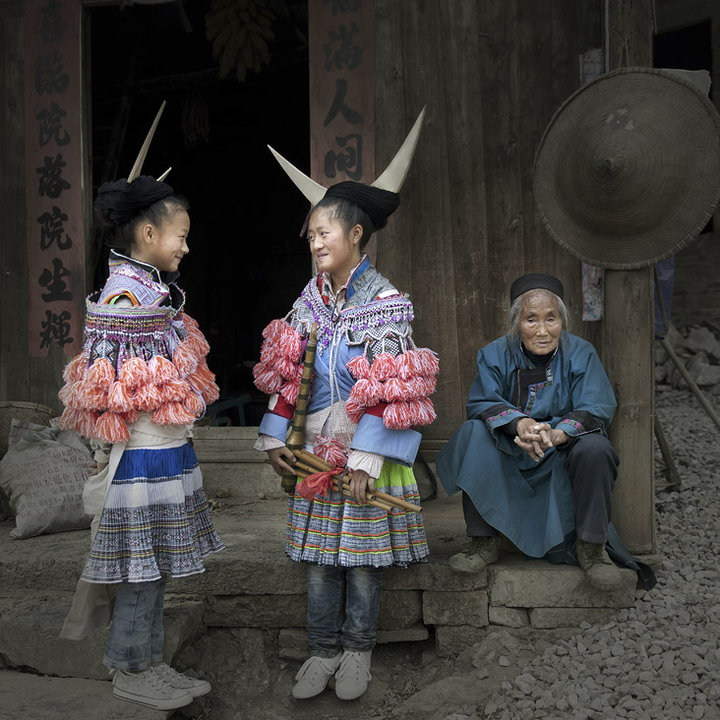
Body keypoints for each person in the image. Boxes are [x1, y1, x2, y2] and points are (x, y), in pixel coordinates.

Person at [253, 116, 437, 701]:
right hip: (314, 457)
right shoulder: (308, 303)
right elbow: (289, 376)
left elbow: (392, 391)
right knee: (318, 561)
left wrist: (365, 461)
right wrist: (278, 436)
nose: (314, 243)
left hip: (362, 457)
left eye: (323, 233)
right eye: (309, 236)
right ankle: (320, 651)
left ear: (357, 234)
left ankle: (357, 651)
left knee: (360, 561)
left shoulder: (385, 304)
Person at [57, 167, 224, 710]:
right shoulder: (124, 298)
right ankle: (131, 667)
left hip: (164, 449)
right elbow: (109, 392)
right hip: (143, 455)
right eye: (181, 235)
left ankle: (150, 662)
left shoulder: (151, 290)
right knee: (140, 566)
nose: (186, 245)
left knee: (153, 565)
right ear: (149, 235)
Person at [436, 272, 630, 591]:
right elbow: (482, 402)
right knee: (473, 434)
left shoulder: (582, 353)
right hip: (512, 450)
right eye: (531, 320)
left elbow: (596, 405)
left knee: (596, 449)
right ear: (517, 323)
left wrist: (559, 433)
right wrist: (520, 424)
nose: (542, 330)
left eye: (551, 319)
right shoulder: (494, 354)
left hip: (562, 452)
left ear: (562, 321)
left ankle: (592, 549)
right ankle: (483, 542)